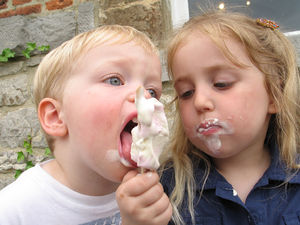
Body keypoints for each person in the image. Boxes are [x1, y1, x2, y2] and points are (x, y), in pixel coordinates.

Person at [0, 25, 172, 225]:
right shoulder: (14, 210)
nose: (145, 96)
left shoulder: (155, 193)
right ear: (56, 117)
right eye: (115, 80)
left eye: (153, 90)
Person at [160, 11, 300, 225]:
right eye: (186, 92)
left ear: (274, 96)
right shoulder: (166, 188)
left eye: (221, 83)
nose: (199, 102)